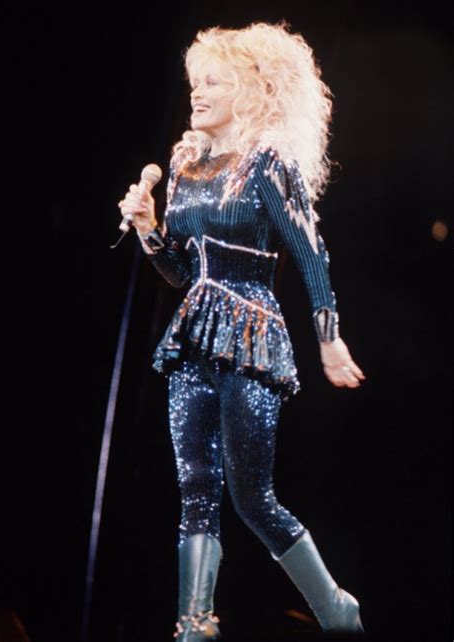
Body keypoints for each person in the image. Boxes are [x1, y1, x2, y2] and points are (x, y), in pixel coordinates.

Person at [118, 21, 366, 640]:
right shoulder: (185, 165)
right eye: (194, 82)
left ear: (249, 93)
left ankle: (337, 609)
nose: (196, 92)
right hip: (195, 334)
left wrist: (328, 336)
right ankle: (194, 623)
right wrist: (149, 229)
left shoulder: (267, 163)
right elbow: (182, 273)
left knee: (252, 498)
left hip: (251, 336)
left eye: (213, 82)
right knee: (196, 489)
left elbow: (310, 252)